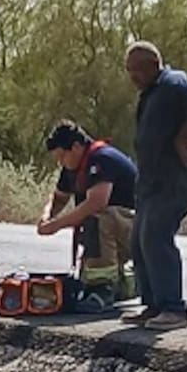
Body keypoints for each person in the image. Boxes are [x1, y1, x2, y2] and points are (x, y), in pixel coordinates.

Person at [121, 41, 187, 330]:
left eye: (137, 69)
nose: (133, 76)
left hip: (173, 179)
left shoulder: (174, 83)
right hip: (150, 182)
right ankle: (153, 305)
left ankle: (174, 309)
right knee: (138, 242)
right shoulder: (150, 93)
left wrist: (182, 139)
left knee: (155, 237)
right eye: (129, 71)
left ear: (154, 64)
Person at [37, 120, 137, 313]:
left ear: (76, 147)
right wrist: (47, 216)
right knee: (88, 273)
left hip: (137, 227)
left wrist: (56, 225)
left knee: (97, 217)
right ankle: (124, 283)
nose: (61, 162)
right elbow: (59, 197)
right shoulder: (73, 167)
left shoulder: (102, 159)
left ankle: (103, 289)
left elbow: (96, 203)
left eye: (62, 156)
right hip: (118, 231)